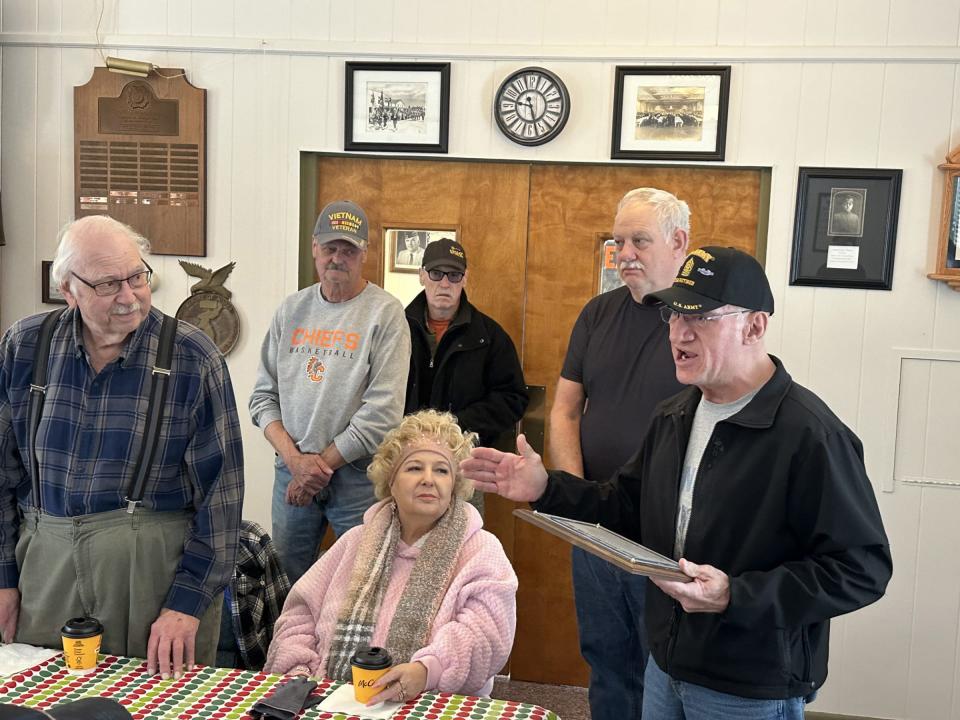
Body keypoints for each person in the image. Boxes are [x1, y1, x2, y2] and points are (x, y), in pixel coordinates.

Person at [463, 246, 892, 719]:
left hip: (748, 685)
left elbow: (861, 569)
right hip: (665, 667)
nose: (678, 332)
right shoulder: (675, 414)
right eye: (672, 315)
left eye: (701, 317)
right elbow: (625, 506)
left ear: (755, 326)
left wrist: (735, 595)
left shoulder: (811, 436)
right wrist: (547, 488)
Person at [0, 215, 244, 679]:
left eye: (137, 277)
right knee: (44, 698)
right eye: (109, 284)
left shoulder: (193, 357)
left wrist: (187, 604)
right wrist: (2, 579)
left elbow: (222, 498)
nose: (129, 297)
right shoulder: (24, 346)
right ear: (69, 289)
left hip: (154, 575)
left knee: (158, 704)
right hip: (42, 569)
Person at [264, 410, 517, 702]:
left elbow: (485, 636)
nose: (428, 479)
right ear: (390, 481)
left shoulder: (482, 551)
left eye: (441, 470)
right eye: (413, 468)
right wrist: (299, 673)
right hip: (334, 701)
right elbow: (299, 615)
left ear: (456, 485)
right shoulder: (354, 541)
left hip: (436, 705)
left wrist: (427, 671)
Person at [549, 188, 688, 720]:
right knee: (607, 661)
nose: (624, 252)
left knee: (663, 668)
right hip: (598, 530)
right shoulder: (597, 314)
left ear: (678, 243)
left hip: (666, 535)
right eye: (619, 241)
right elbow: (564, 411)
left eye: (639, 240)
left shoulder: (698, 320)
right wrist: (576, 500)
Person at [249, 200, 410, 586]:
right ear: (314, 248)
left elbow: (382, 414)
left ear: (364, 254)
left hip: (358, 479)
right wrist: (296, 462)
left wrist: (315, 469)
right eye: (331, 248)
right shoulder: (291, 310)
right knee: (286, 587)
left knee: (361, 587)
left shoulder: (385, 314)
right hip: (291, 471)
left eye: (349, 250)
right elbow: (262, 399)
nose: (338, 258)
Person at [405, 237, 528, 448]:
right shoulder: (397, 329)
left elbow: (512, 399)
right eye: (436, 274)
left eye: (454, 275)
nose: (444, 284)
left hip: (467, 458)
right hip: (406, 451)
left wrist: (455, 426)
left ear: (465, 279)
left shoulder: (490, 337)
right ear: (421, 275)